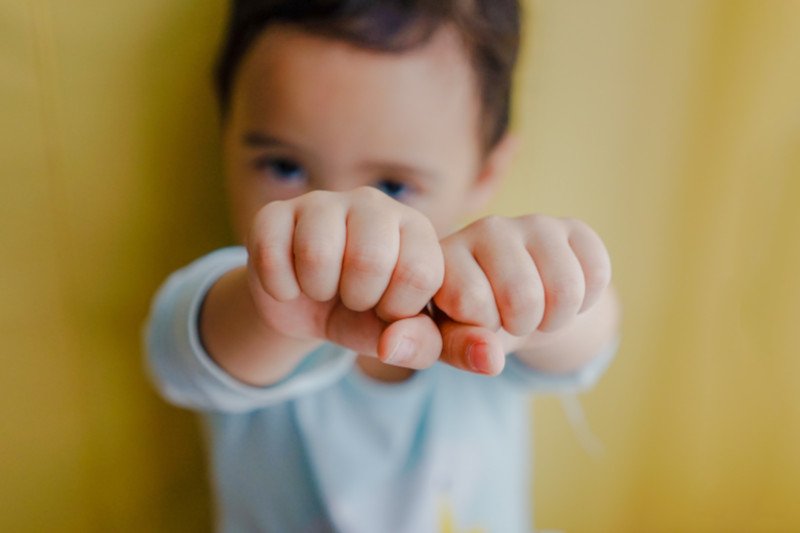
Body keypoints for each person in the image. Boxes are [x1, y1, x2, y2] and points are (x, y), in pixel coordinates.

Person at [144, 1, 621, 531]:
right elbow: (181, 359)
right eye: (284, 166)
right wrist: (275, 306)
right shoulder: (238, 294)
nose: (343, 219)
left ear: (486, 173)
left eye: (393, 186)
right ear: (225, 133)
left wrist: (542, 289)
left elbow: (589, 341)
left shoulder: (487, 293)